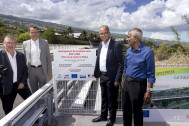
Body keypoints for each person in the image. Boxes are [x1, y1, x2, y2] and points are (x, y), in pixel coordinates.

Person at [122, 28, 156, 126]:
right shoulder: (128, 51)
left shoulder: (148, 52)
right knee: (126, 110)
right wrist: (124, 81)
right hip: (127, 83)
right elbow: (126, 67)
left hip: (138, 85)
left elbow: (151, 73)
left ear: (135, 38)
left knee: (137, 112)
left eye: (129, 37)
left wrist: (149, 90)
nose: (127, 39)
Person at [92, 25, 123, 126]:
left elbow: (120, 63)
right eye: (101, 33)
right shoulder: (101, 44)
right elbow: (100, 55)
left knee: (112, 99)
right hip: (102, 75)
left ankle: (112, 118)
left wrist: (118, 78)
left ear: (109, 33)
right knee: (104, 97)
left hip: (112, 77)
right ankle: (103, 115)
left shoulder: (116, 45)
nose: (103, 35)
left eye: (105, 33)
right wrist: (86, 49)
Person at [0, 35, 31, 115]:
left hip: (21, 84)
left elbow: (25, 70)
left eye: (12, 43)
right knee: (8, 108)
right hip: (6, 86)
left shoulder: (20, 55)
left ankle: (34, 118)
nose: (10, 45)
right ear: (4, 44)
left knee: (31, 101)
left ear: (16, 44)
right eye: (8, 43)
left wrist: (22, 82)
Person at [22, 26, 52, 93]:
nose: (35, 34)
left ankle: (43, 103)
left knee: (43, 89)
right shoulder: (25, 43)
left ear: (38, 33)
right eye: (32, 32)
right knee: (33, 89)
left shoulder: (45, 42)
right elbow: (24, 58)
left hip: (42, 69)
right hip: (31, 70)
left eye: (36, 32)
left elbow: (48, 57)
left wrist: (49, 70)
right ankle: (36, 103)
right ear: (29, 33)